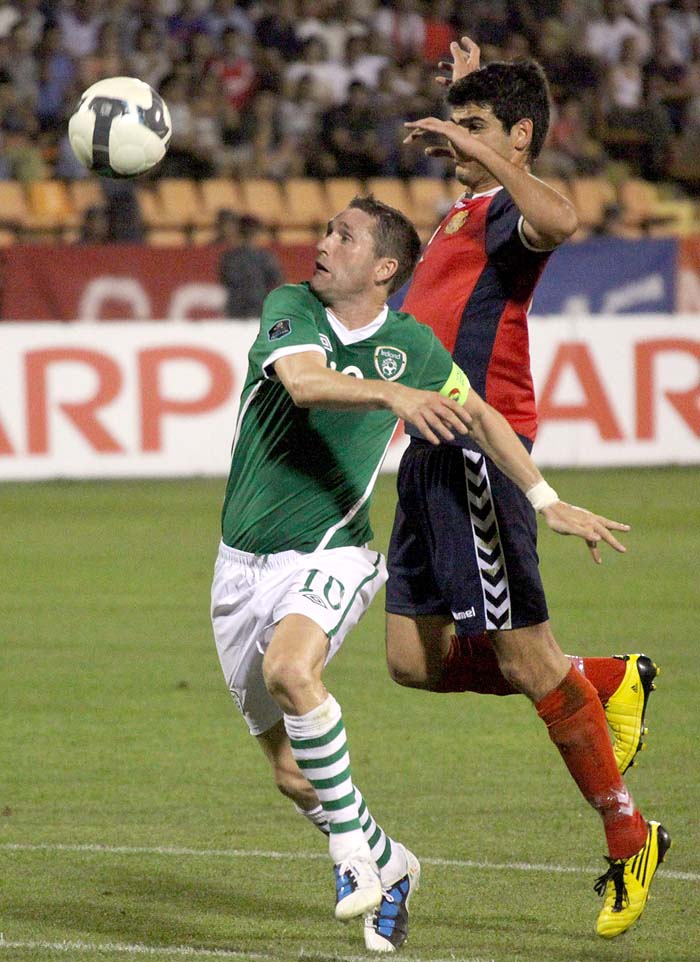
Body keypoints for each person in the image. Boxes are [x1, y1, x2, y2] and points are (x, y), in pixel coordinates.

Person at [210, 194, 640, 953]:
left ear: (382, 268)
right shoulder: (292, 307)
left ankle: (349, 861)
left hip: (331, 551)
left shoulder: (408, 344)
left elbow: (478, 414)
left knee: (290, 671)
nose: (323, 242)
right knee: (292, 776)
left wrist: (546, 497)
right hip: (239, 569)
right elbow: (306, 384)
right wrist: (394, 394)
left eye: (342, 236)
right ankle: (390, 861)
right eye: (327, 229)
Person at [384, 42, 670, 940]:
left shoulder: (513, 212)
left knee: (523, 659)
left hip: (480, 450)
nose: (455, 140)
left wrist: (493, 148)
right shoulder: (466, 208)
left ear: (518, 138)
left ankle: (630, 836)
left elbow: (564, 215)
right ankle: (607, 678)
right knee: (411, 659)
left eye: (477, 128)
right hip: (426, 450)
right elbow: (494, 139)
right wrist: (465, 104)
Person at [217, 210, 283, 319]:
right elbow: (277, 281)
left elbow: (224, 280)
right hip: (258, 308)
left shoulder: (229, 257)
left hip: (235, 309)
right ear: (257, 232)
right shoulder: (265, 257)